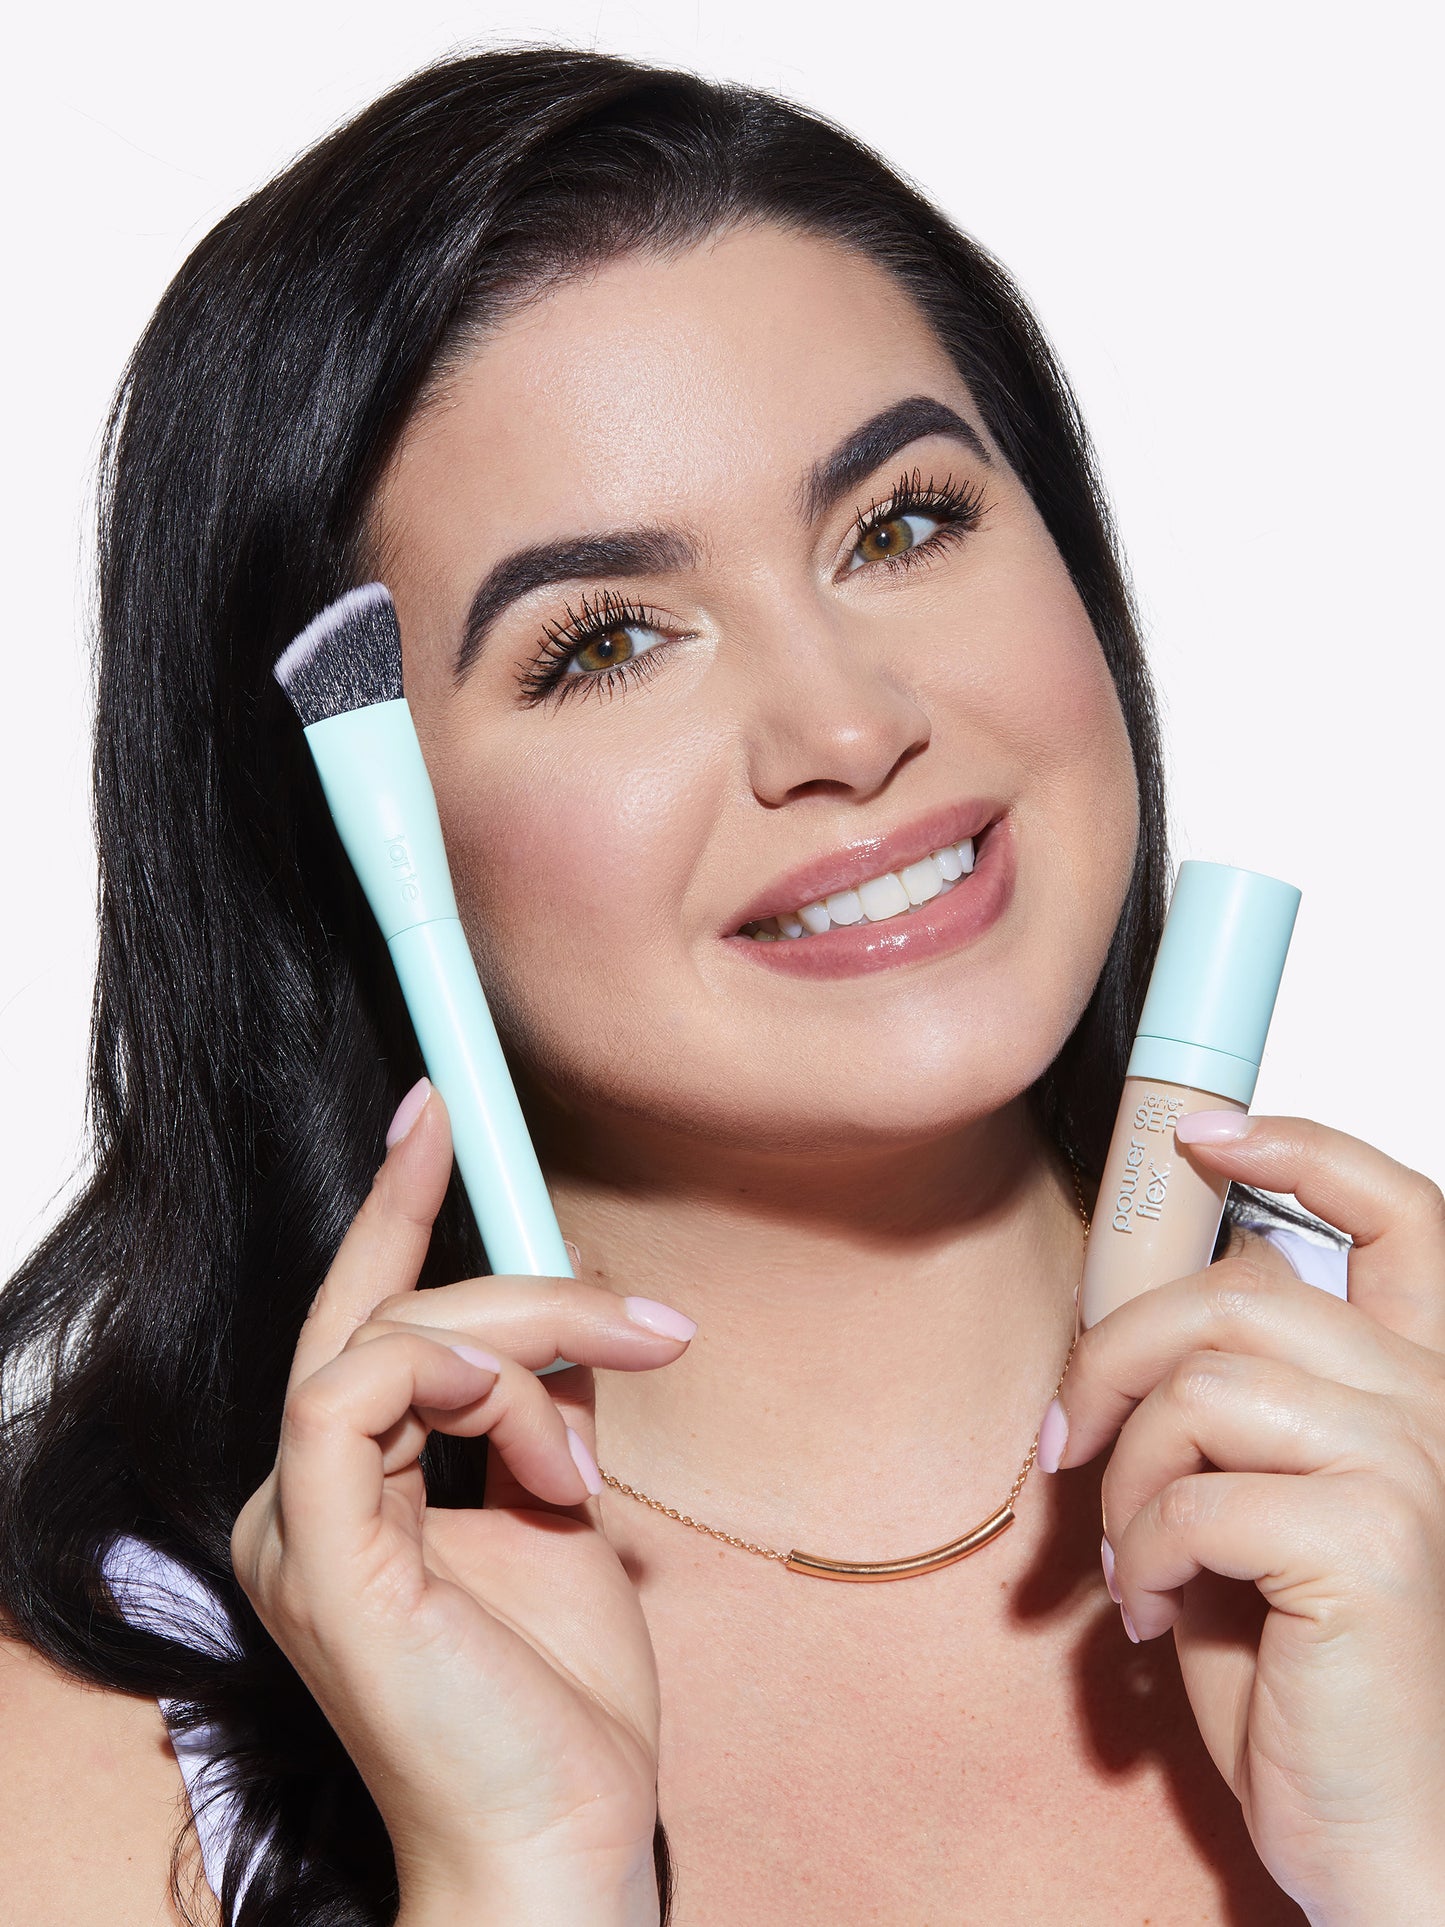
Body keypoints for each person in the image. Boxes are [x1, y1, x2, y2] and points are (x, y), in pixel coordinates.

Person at [0, 44, 1439, 1927]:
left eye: (901, 525)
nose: (847, 725)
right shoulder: (107, 1745)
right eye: (603, 643)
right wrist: (521, 1880)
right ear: (360, 842)